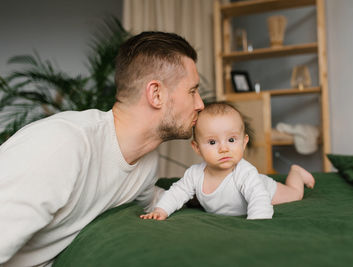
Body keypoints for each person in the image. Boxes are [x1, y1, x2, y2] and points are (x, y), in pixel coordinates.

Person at [0, 31, 204, 266]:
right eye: (192, 91)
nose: (200, 104)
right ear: (156, 94)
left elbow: (156, 198)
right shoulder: (62, 146)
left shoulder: (145, 163)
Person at [140, 102, 315, 221]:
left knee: (295, 194)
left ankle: (296, 172)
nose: (223, 148)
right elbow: (177, 192)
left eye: (231, 140)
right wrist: (161, 210)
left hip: (266, 189)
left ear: (244, 142)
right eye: (212, 142)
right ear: (197, 147)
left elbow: (259, 199)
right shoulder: (194, 174)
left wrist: (257, 225)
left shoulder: (245, 172)